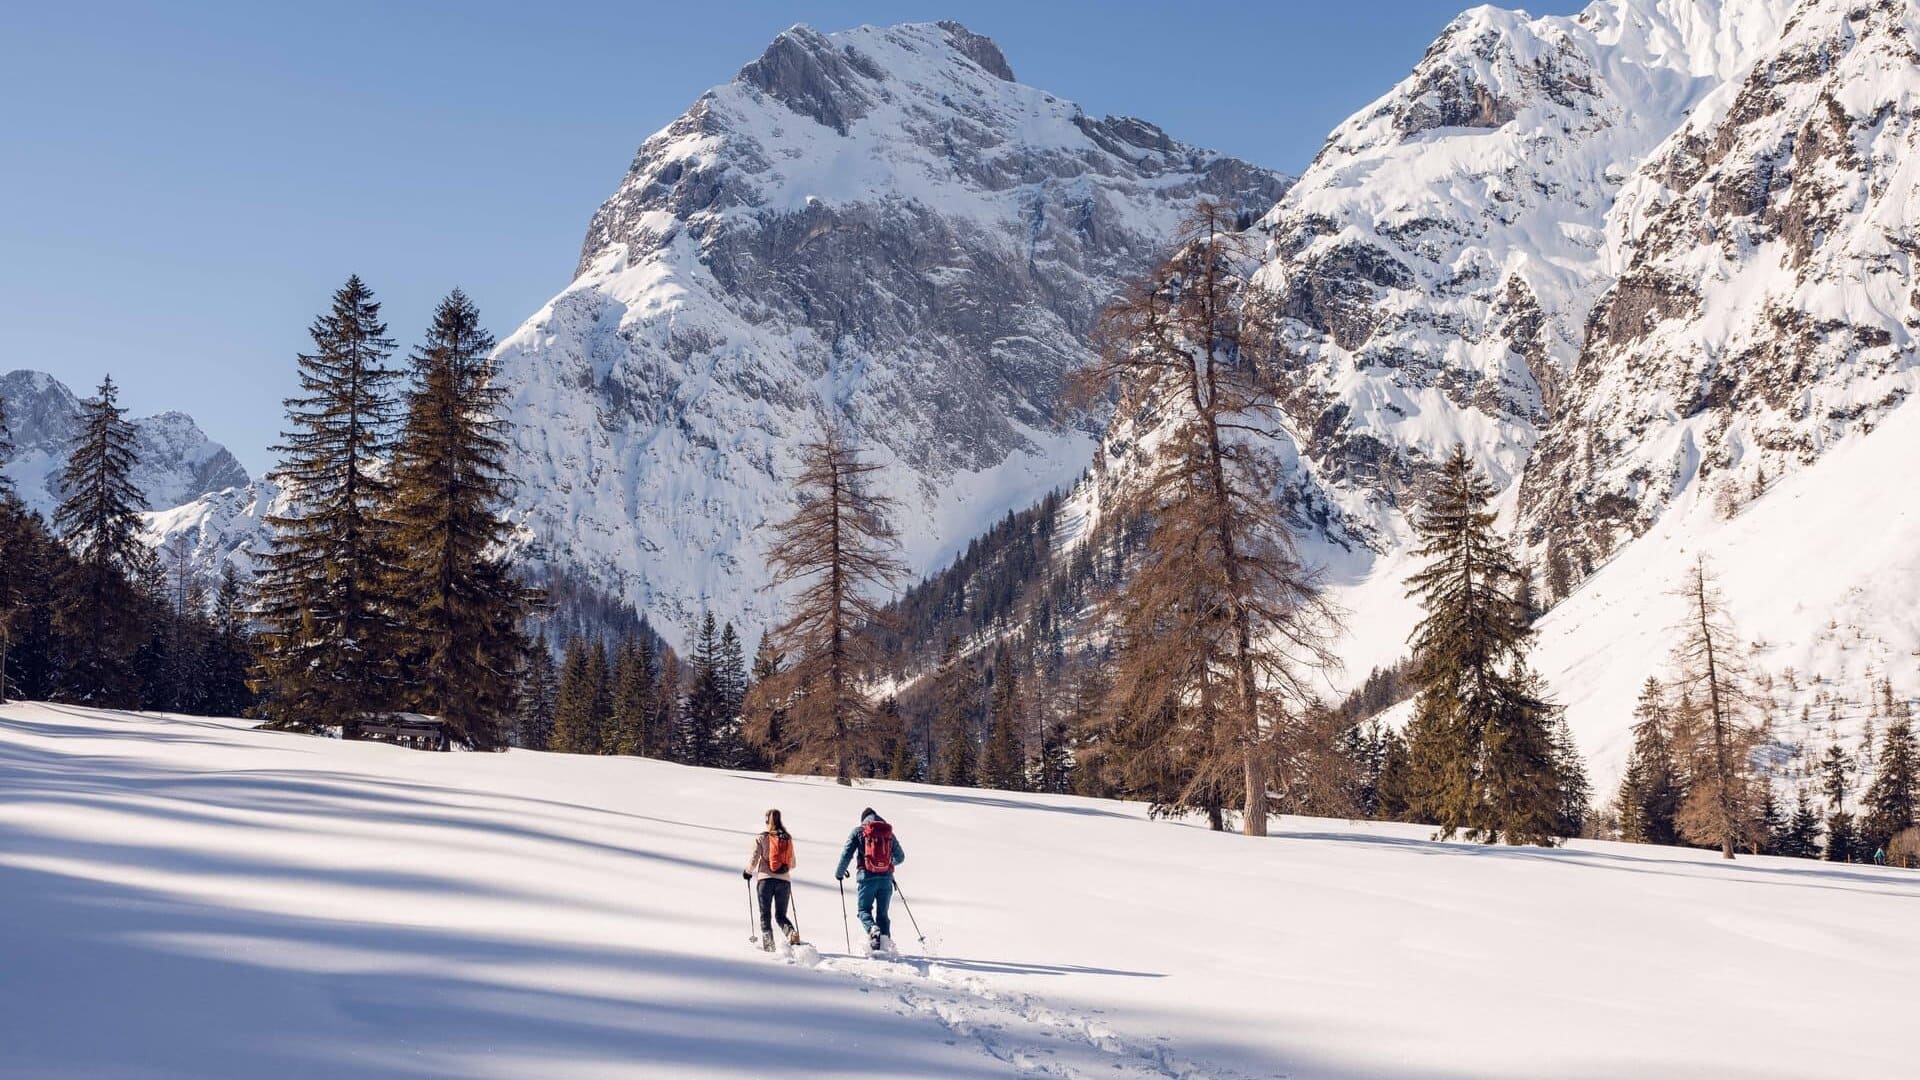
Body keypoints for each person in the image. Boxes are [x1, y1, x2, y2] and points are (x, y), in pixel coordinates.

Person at [834, 807, 906, 953]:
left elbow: (846, 854)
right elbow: (900, 857)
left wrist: (839, 873)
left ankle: (872, 929)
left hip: (866, 878)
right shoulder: (888, 832)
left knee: (863, 910)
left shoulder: (858, 831)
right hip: (886, 879)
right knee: (883, 914)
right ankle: (885, 947)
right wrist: (887, 863)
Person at [743, 809, 799, 950]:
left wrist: (748, 872)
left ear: (767, 821)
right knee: (781, 915)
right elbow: (793, 864)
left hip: (765, 881)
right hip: (784, 882)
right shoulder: (787, 838)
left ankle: (769, 946)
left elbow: (755, 858)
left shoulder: (762, 837)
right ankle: (792, 933)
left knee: (765, 915)